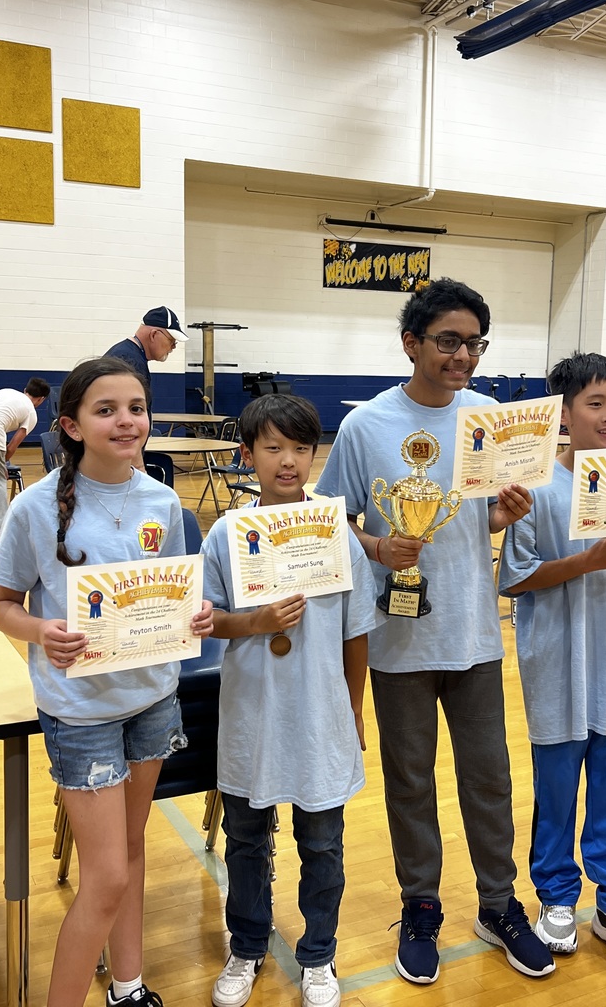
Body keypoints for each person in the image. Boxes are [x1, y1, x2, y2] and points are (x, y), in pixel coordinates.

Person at [316, 278, 554, 984]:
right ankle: (421, 905)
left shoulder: (491, 417)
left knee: (490, 779)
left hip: (475, 636)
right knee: (409, 783)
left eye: (474, 343)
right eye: (448, 340)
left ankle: (499, 903)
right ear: (411, 343)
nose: (463, 355)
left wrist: (502, 516)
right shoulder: (367, 428)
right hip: (397, 641)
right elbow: (332, 521)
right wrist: (377, 548)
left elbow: (476, 518)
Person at [0, 356, 214, 1007]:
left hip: (151, 701)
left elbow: (174, 594)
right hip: (80, 713)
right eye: (106, 409)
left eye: (136, 408)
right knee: (107, 876)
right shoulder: (35, 508)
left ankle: (128, 985)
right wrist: (40, 633)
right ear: (72, 426)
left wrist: (192, 613)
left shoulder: (163, 502)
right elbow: (4, 604)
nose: (126, 421)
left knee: (131, 853)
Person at [202, 393, 380, 1007]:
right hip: (251, 712)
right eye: (273, 447)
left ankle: (319, 958)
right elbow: (207, 620)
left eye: (301, 449)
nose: (288, 462)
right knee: (247, 839)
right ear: (247, 454)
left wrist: (353, 707)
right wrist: (254, 623)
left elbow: (357, 630)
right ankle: (247, 946)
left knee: (322, 843)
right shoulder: (227, 533)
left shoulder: (337, 531)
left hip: (319, 715)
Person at [498, 352, 606, 978]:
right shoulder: (536, 488)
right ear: (563, 414)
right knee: (556, 793)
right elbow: (513, 580)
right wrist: (584, 563)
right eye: (595, 404)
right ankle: (559, 899)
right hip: (556, 669)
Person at [105, 306, 189, 468]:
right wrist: (137, 465)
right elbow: (125, 417)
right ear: (154, 334)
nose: (173, 347)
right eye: (172, 341)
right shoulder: (129, 361)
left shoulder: (130, 355)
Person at [0, 376, 50, 537]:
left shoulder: (6, 391)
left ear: (25, 390)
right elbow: (12, 446)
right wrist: (2, 465)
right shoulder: (31, 413)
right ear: (41, 399)